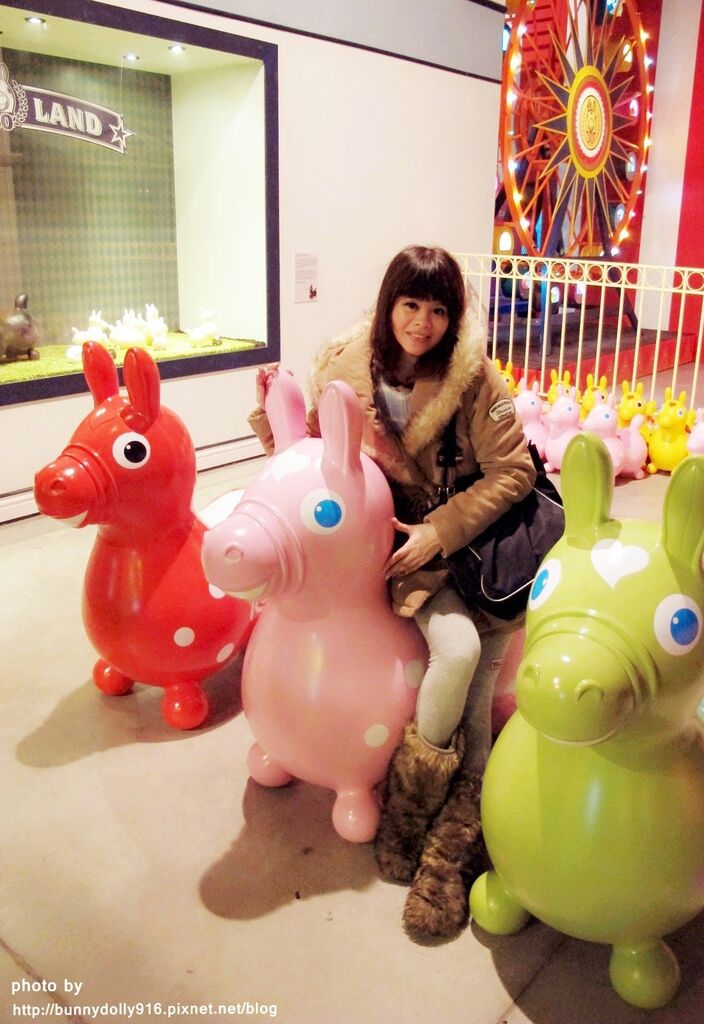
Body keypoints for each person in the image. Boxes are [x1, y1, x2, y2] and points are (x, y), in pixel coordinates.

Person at [249, 245, 535, 939]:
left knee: (468, 661)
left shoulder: (474, 379)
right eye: (411, 305)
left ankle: (431, 812)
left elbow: (515, 470)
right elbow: (315, 456)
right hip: (372, 550)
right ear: (388, 305)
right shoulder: (344, 369)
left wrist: (441, 530)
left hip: (455, 553)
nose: (422, 323)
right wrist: (268, 417)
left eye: (438, 310)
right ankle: (423, 806)